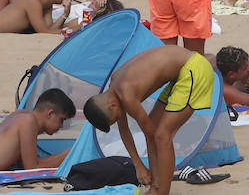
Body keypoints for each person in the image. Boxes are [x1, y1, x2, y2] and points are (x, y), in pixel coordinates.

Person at [82, 46, 214, 195]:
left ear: (111, 106)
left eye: (117, 117)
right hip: (180, 73)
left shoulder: (127, 95)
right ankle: (156, 188)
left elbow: (149, 134)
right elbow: (124, 130)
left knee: (162, 135)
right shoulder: (115, 88)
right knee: (155, 127)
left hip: (195, 69)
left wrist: (150, 176)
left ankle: (161, 191)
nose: (120, 118)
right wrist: (138, 165)